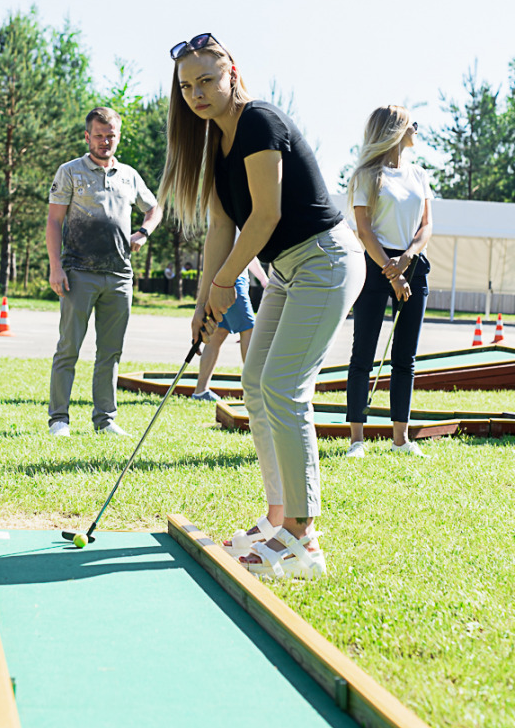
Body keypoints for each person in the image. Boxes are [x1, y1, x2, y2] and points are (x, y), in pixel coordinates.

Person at [159, 33, 365, 579]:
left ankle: (304, 537)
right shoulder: (216, 144)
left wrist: (226, 286)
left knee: (283, 385)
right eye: (186, 87)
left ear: (231, 72)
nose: (196, 94)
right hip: (287, 270)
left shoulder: (258, 122)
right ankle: (278, 519)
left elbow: (266, 217)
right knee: (255, 381)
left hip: (325, 261)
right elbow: (222, 227)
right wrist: (204, 302)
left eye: (205, 80)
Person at [47, 107, 162, 437]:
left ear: (118, 136)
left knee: (110, 352)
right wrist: (56, 268)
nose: (104, 141)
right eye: (98, 135)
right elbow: (54, 222)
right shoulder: (70, 172)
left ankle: (105, 419)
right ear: (87, 136)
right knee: (69, 347)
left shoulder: (129, 175)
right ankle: (59, 419)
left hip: (119, 275)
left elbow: (154, 207)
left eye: (110, 135)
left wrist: (144, 232)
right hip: (78, 272)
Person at [345, 107, 433, 457]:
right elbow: (364, 231)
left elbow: (427, 226)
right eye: (413, 123)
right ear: (396, 130)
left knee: (405, 357)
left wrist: (408, 259)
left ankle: (401, 440)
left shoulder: (420, 174)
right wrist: (392, 271)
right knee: (362, 353)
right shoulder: (367, 175)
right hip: (375, 266)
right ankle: (356, 440)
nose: (417, 129)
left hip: (412, 263)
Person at [191, 259, 268, 400]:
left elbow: (249, 253)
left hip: (234, 280)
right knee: (249, 330)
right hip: (232, 282)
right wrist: (263, 279)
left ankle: (200, 391)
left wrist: (263, 279)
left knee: (218, 334)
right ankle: (255, 390)